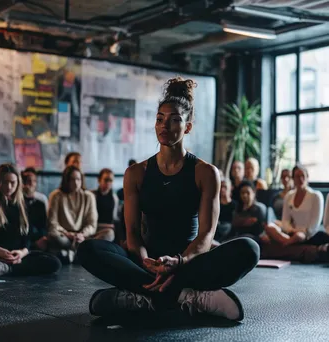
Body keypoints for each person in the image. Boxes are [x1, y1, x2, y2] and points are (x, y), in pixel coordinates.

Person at [78, 77, 259, 321]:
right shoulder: (136, 174)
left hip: (188, 262)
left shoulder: (205, 173)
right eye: (160, 119)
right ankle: (187, 296)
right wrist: (147, 263)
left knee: (249, 248)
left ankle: (141, 297)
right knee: (89, 249)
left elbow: (206, 236)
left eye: (174, 120)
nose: (165, 126)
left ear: (187, 127)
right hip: (146, 261)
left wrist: (178, 262)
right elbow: (132, 233)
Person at [0, 164, 61, 277]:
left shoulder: (23, 205)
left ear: (18, 183)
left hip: (18, 255)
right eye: (5, 182)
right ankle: (7, 267)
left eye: (13, 182)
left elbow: (28, 235)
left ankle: (8, 268)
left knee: (54, 262)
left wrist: (22, 252)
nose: (9, 186)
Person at [265, 165, 327, 246]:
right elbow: (285, 221)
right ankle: (288, 242)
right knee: (269, 227)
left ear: (307, 177)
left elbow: (314, 225)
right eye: (297, 176)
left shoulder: (316, 196)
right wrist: (292, 230)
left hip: (306, 235)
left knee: (298, 236)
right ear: (293, 179)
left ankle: (285, 244)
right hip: (291, 232)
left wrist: (300, 231)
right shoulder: (289, 196)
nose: (300, 179)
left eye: (303, 176)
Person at [48, 165, 98, 263]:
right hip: (64, 236)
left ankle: (69, 253)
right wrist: (69, 234)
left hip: (82, 236)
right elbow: (52, 223)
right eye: (72, 179)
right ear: (66, 180)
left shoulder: (89, 196)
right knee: (55, 236)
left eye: (78, 179)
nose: (75, 183)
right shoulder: (56, 196)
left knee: (107, 235)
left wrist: (82, 234)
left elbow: (92, 223)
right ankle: (77, 253)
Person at [21, 170, 48, 251]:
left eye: (34, 181)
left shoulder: (40, 201)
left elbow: (43, 224)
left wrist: (43, 237)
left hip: (38, 236)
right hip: (25, 237)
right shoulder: (18, 201)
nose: (32, 184)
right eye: (29, 181)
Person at [93, 168, 119, 242]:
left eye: (110, 180)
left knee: (110, 234)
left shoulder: (114, 198)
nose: (108, 183)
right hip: (94, 227)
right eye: (106, 180)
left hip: (107, 230)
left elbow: (115, 218)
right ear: (99, 180)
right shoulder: (92, 195)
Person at [215, 178, 236, 242]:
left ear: (231, 188)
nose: (222, 189)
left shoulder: (235, 204)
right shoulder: (215, 204)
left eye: (225, 187)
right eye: (221, 187)